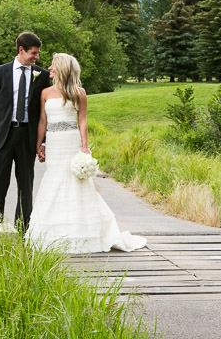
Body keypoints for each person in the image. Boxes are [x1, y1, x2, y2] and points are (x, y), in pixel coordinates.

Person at [26, 53, 146, 254]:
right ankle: (52, 232)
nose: (50, 68)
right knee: (53, 181)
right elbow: (42, 122)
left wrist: (84, 146)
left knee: (76, 183)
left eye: (53, 65)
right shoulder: (45, 93)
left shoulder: (78, 93)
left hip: (71, 142)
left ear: (63, 68)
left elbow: (82, 121)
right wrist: (40, 145)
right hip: (54, 143)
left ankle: (81, 232)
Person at [0, 32, 52, 229]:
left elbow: (45, 114)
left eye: (37, 54)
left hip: (28, 137)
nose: (36, 57)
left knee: (26, 185)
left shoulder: (43, 75)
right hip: (3, 136)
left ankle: (22, 230)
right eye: (33, 53)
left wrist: (42, 142)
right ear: (21, 50)